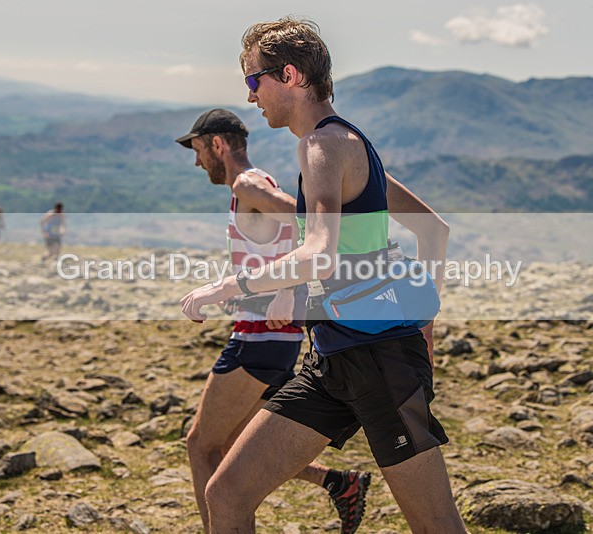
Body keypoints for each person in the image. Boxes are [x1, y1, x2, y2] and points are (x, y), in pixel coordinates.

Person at [180, 18, 467, 533]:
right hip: (332, 360)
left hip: (380, 365)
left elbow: (319, 254)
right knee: (226, 493)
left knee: (437, 526)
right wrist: (424, 324)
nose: (250, 97)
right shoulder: (351, 143)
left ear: (289, 75)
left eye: (253, 80)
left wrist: (227, 288)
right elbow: (433, 230)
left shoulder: (321, 146)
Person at [175, 109, 371, 533]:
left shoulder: (247, 185)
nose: (197, 162)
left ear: (217, 145)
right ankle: (338, 483)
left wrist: (289, 289)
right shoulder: (257, 183)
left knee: (201, 446)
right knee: (235, 446)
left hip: (259, 337)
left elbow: (307, 222)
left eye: (198, 150)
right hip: (273, 336)